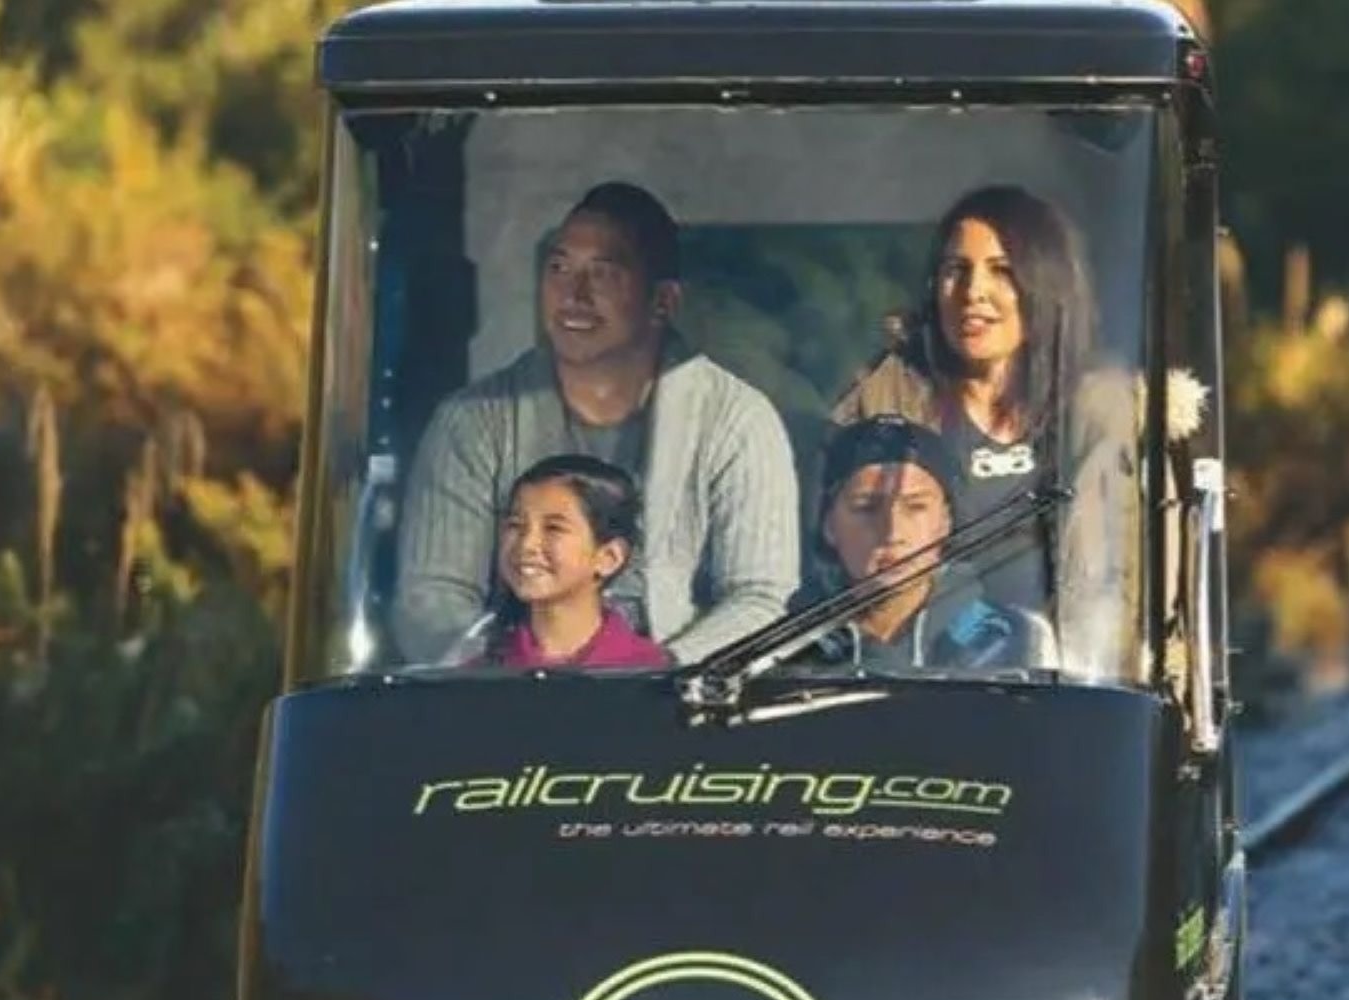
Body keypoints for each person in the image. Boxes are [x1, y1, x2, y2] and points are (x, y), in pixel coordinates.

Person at [392, 182, 800, 666]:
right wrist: (505, 671)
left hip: (683, 709)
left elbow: (761, 600)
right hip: (506, 702)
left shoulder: (738, 421)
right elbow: (429, 597)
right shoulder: (472, 420)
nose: (573, 294)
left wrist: (661, 675)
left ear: (663, 302)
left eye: (602, 274)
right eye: (559, 268)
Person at [826, 184, 1134, 629]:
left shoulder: (1108, 419)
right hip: (923, 680)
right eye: (956, 269)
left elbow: (1142, 590)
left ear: (1046, 284)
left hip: (1067, 690)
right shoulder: (879, 405)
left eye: (1002, 271)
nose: (973, 292)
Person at [805, 414, 1054, 672]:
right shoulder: (785, 647)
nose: (892, 531)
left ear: (945, 521)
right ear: (828, 525)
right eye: (866, 507)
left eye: (915, 507)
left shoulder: (1017, 640)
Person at [486, 454, 671, 671]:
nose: (526, 545)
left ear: (609, 557)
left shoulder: (648, 673)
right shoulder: (480, 672)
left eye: (553, 528)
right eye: (516, 524)